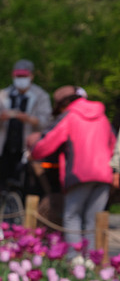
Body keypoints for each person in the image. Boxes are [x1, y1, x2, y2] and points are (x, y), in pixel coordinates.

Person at [29, 86, 116, 249]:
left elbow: (46, 143)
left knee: (71, 216)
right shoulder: (102, 117)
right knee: (93, 220)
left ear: (63, 104)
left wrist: (33, 152)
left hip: (79, 173)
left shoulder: (69, 116)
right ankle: (91, 261)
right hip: (104, 174)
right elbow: (113, 144)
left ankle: (74, 260)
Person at [0, 60, 52, 190]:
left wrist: (28, 119)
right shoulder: (4, 94)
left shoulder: (40, 95)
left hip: (27, 150)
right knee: (2, 183)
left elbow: (46, 121)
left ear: (31, 76)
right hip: (4, 148)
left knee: (25, 184)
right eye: (18, 76)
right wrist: (1, 116)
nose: (21, 79)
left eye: (24, 76)